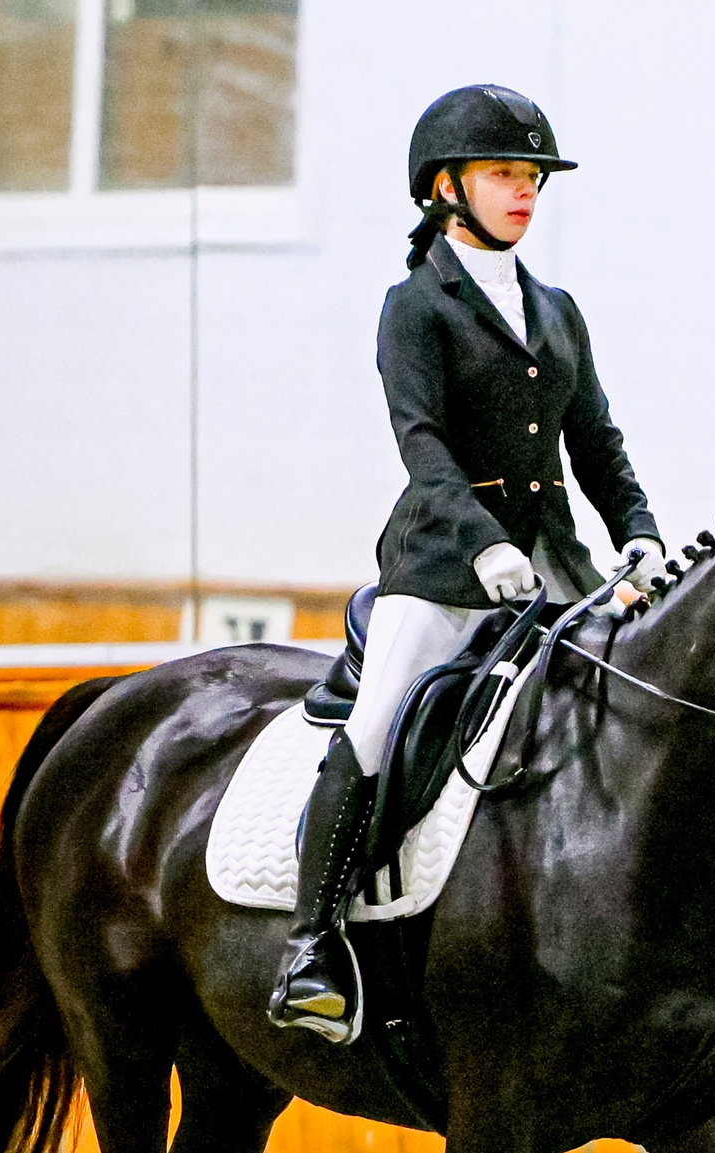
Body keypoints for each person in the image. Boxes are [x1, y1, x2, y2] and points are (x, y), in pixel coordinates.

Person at [269, 84, 666, 1042]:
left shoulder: (556, 309)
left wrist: (639, 530)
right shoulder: (415, 309)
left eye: (532, 177)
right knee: (374, 728)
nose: (524, 191)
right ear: (445, 188)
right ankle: (311, 948)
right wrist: (484, 541)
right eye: (503, 175)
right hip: (443, 568)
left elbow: (596, 441)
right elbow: (423, 445)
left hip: (555, 564)